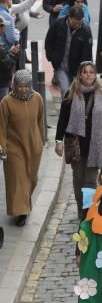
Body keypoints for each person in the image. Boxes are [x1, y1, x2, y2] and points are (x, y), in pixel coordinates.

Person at [54, 62, 102, 218]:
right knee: (78, 180)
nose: (89, 75)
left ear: (95, 74)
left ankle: (88, 212)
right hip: (76, 144)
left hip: (94, 145)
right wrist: (58, 141)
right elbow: (63, 119)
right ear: (80, 74)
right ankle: (80, 207)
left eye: (91, 72)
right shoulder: (70, 93)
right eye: (85, 72)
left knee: (90, 181)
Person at [0, 69, 44, 227]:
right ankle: (22, 212)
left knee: (31, 179)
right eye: (20, 86)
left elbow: (40, 120)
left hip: (34, 147)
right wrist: (2, 148)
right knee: (18, 180)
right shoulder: (6, 102)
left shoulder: (37, 98)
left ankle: (24, 204)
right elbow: (1, 127)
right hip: (14, 148)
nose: (23, 89)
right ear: (14, 85)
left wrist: (42, 141)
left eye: (26, 86)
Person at [45, 5, 93, 96]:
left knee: (76, 92)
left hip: (77, 69)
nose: (78, 26)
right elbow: (49, 41)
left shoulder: (85, 30)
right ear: (69, 18)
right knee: (65, 89)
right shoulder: (57, 24)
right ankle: (66, 109)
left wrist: (84, 70)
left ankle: (74, 109)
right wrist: (51, 57)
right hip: (60, 65)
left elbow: (87, 53)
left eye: (80, 23)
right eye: (75, 23)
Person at [8, 0, 42, 68]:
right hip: (15, 28)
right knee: (16, 52)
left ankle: (20, 73)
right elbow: (16, 8)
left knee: (22, 49)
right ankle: (17, 74)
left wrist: (34, 14)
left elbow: (25, 9)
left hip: (23, 27)